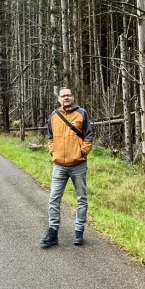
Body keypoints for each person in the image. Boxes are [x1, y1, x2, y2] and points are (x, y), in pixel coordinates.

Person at [41, 87, 94, 247]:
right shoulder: (54, 115)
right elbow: (50, 136)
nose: (66, 98)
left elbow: (89, 135)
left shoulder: (82, 113)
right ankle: (53, 232)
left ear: (73, 97)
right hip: (59, 165)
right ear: (59, 99)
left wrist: (82, 152)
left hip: (78, 164)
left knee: (81, 198)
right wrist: (53, 151)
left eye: (68, 95)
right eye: (63, 96)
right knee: (54, 199)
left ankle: (79, 232)